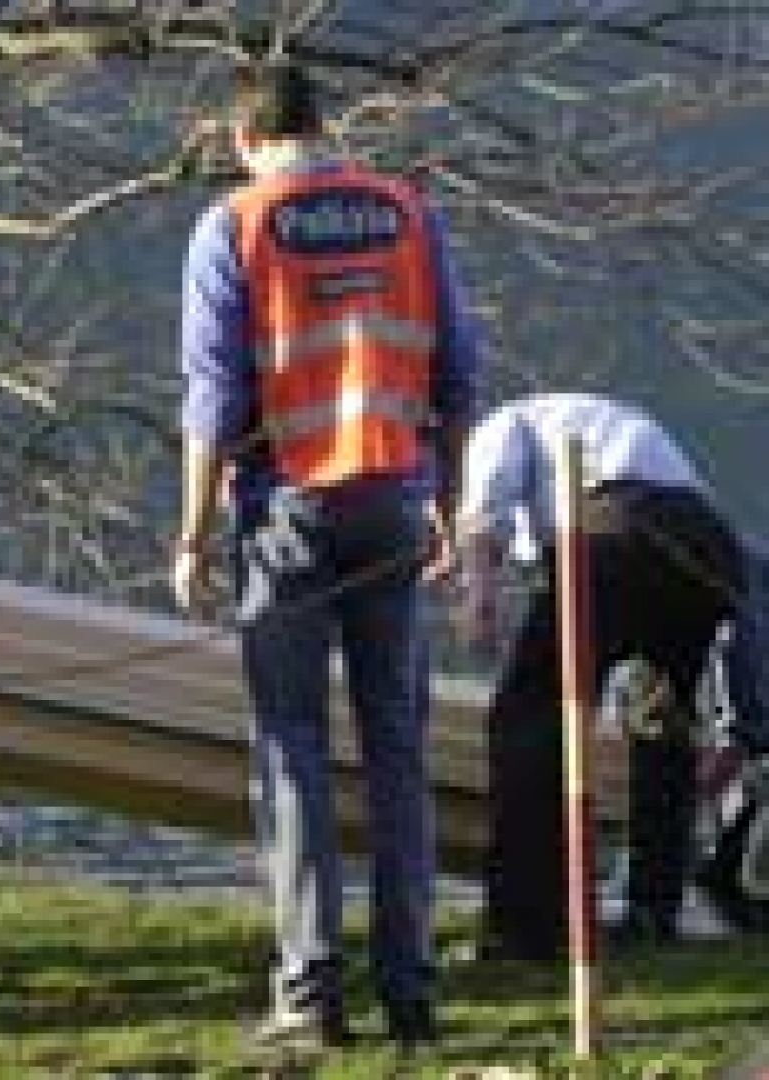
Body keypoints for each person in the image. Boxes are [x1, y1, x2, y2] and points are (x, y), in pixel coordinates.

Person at [174, 62, 482, 1050]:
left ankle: (310, 994)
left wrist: (190, 536)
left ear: (242, 139)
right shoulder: (408, 211)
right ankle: (411, 991)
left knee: (291, 745)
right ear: (324, 125)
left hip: (286, 512)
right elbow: (457, 376)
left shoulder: (234, 224)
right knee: (396, 748)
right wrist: (448, 507)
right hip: (392, 502)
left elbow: (214, 401)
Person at [455, 392, 745, 962]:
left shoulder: (496, 425)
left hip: (616, 529)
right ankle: (653, 911)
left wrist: (477, 595)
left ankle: (526, 926)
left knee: (529, 718)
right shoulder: (592, 423)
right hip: (705, 547)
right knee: (660, 725)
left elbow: (484, 516)